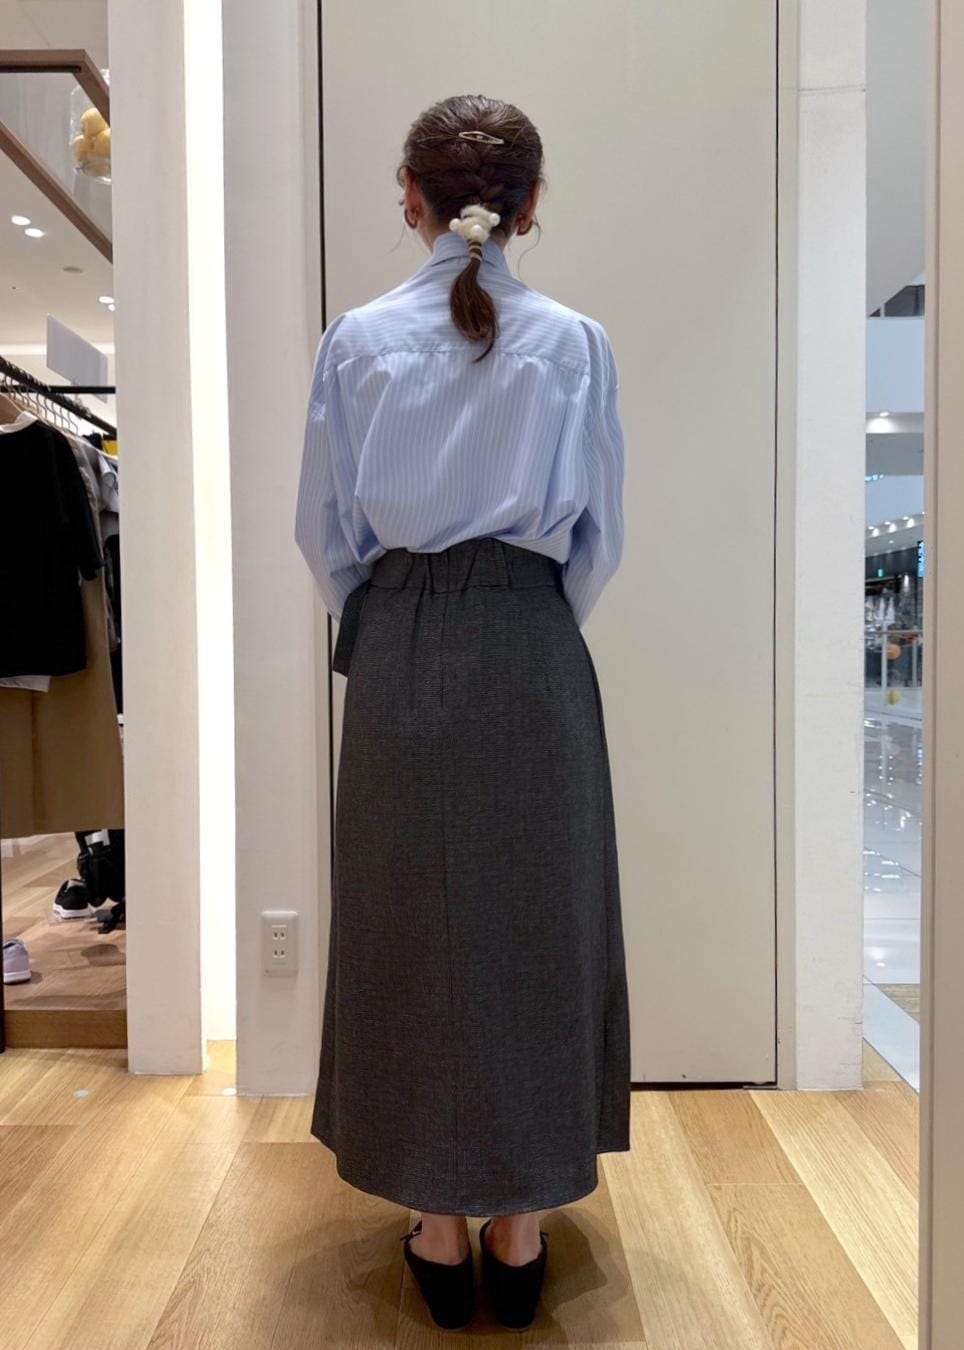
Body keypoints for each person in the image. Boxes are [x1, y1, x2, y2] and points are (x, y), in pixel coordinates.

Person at [294, 92, 631, 1332]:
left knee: (404, 927)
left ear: (410, 198)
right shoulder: (578, 343)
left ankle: (436, 1229)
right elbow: (598, 537)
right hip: (533, 644)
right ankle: (520, 1226)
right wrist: (520, 618)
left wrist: (400, 617)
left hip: (399, 644)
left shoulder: (356, 340)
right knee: (542, 922)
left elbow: (325, 532)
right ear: (530, 205)